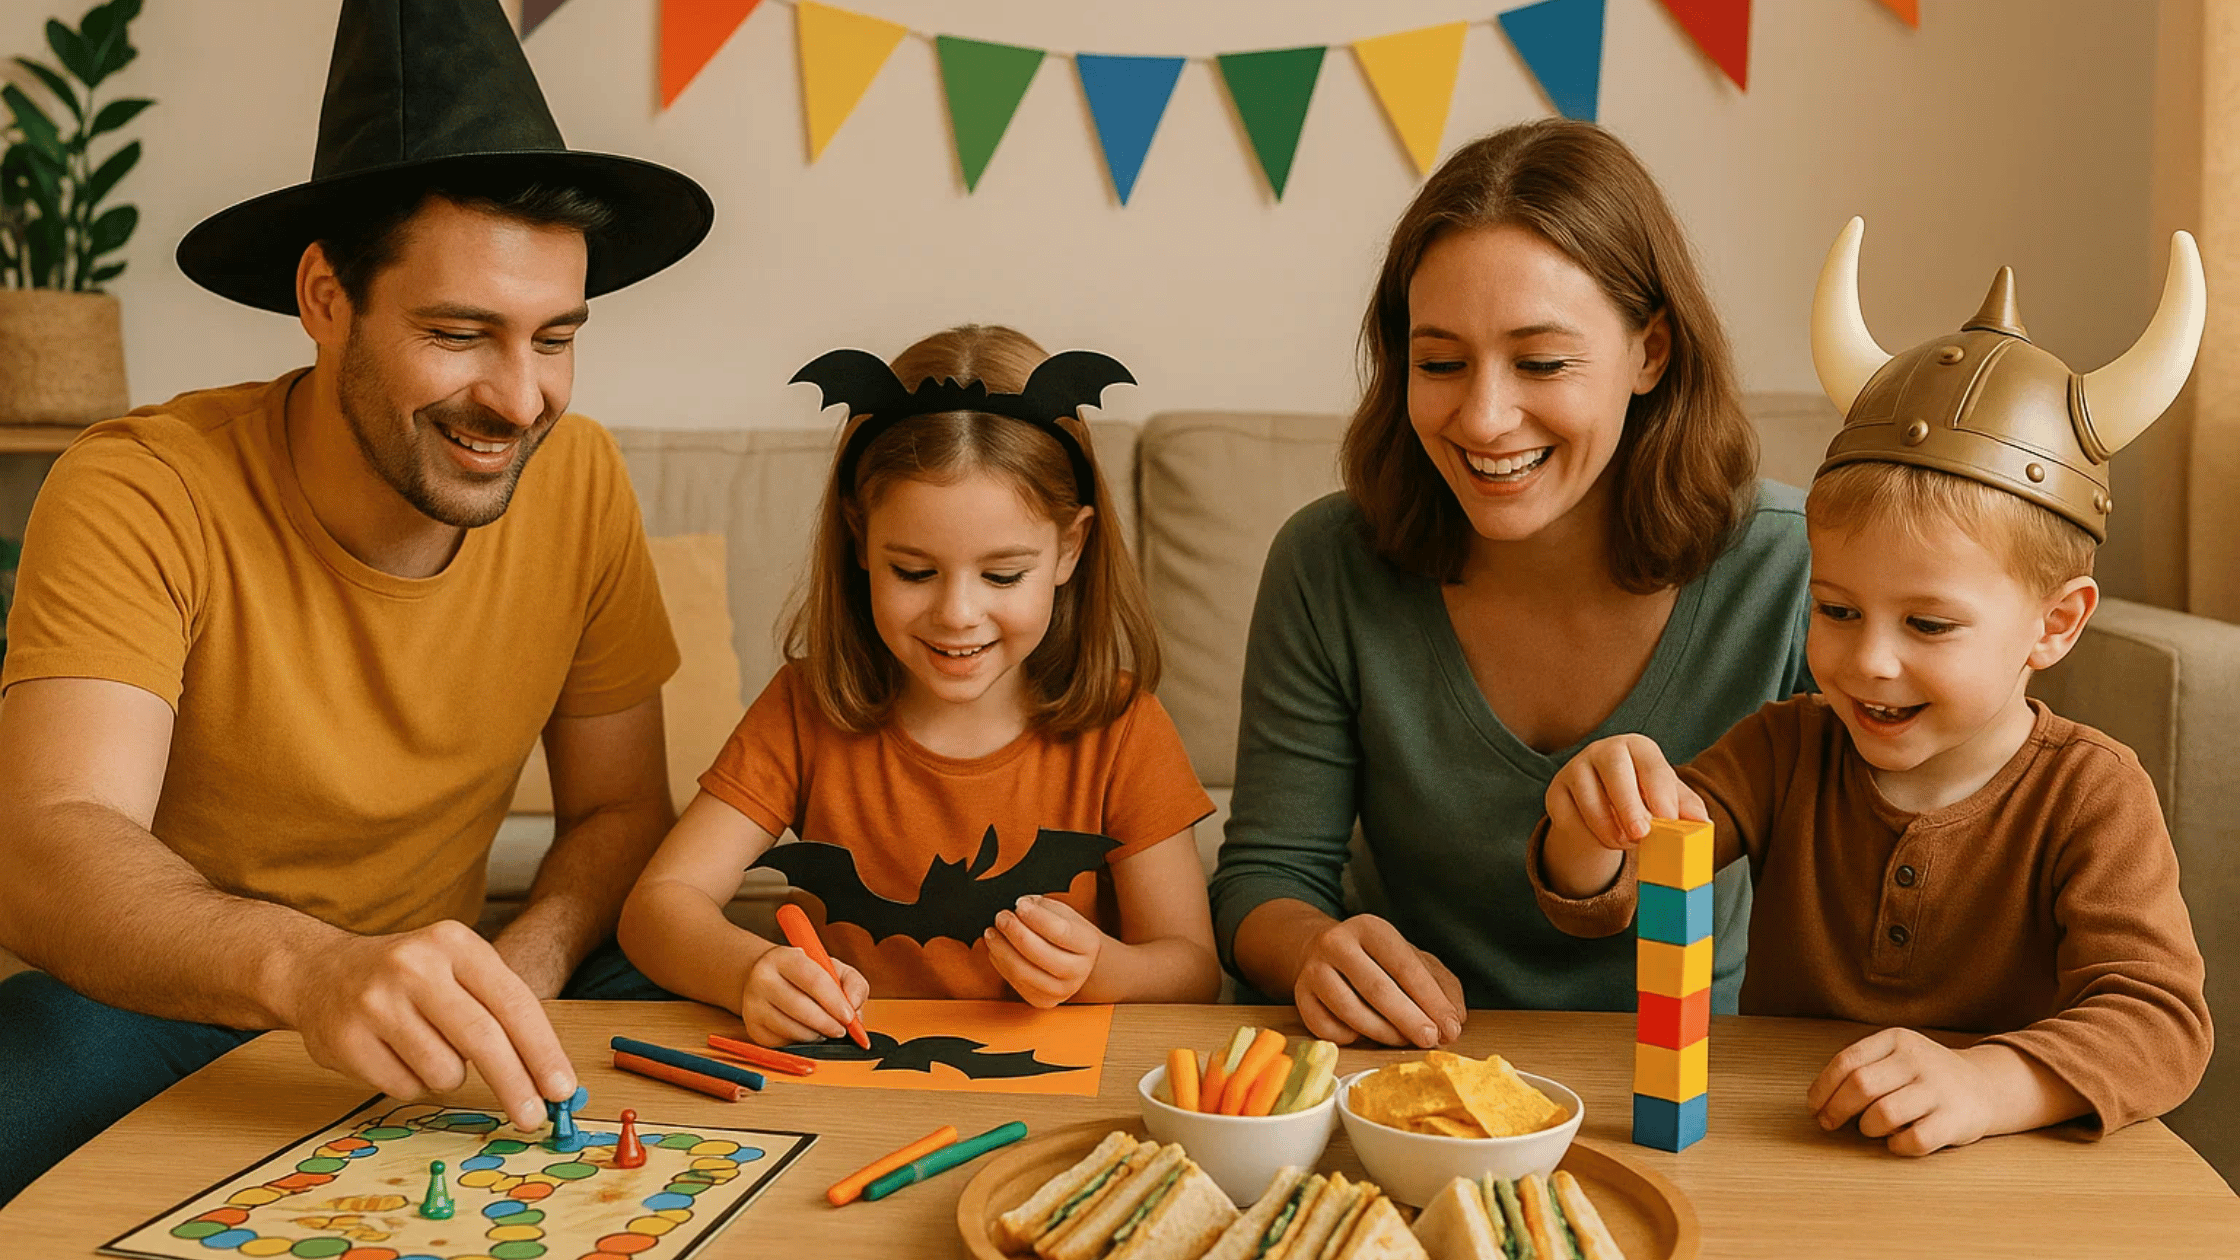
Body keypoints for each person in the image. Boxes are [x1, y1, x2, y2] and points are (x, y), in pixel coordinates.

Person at [0, 0, 714, 1203]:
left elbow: (617, 811)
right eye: (457, 332)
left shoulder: (579, 475)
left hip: (456, 981)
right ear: (325, 300)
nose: (521, 398)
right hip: (179, 998)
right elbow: (44, 845)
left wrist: (521, 964)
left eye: (555, 338)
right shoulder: (139, 485)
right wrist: (314, 971)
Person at [1534, 220, 2213, 1155]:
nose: (1869, 662)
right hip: (1782, 1146)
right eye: (1838, 610)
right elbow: (1639, 877)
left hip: (2001, 1182)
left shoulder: (2093, 796)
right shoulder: (1784, 748)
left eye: (1927, 624)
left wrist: (1991, 1082)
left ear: (2055, 624)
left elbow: (2161, 1024)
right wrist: (1589, 829)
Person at [1210, 120, 1811, 1047]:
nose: (1485, 419)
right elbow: (1265, 876)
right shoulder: (1327, 563)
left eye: (1541, 362)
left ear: (1651, 352)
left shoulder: (1792, 570)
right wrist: (1315, 951)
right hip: (1404, 1065)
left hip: (1687, 1084)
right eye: (1440, 363)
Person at [620, 326, 1221, 1045]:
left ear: (1070, 548)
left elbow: (1192, 970)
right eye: (913, 571)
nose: (957, 614)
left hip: (1055, 1080)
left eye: (1002, 575)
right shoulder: (806, 708)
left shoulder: (1120, 726)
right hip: (856, 1081)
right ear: (859, 540)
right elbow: (657, 907)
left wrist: (1100, 970)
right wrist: (749, 971)